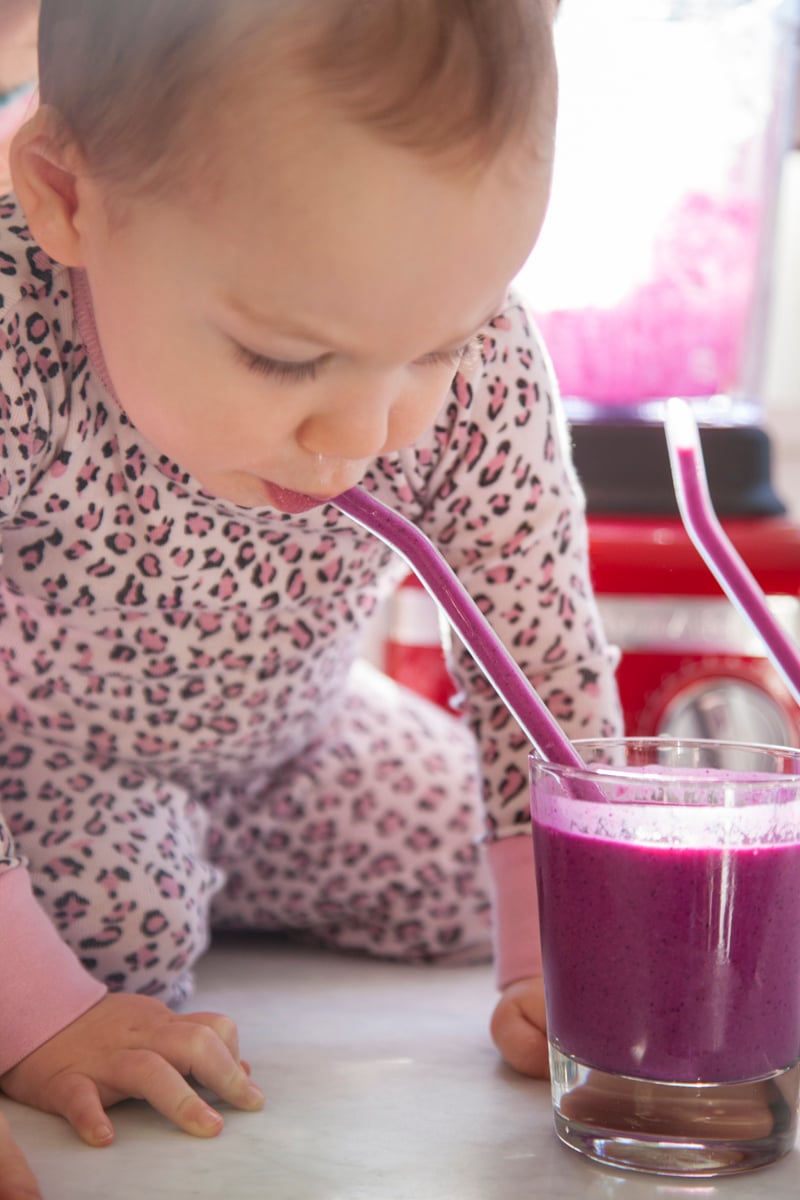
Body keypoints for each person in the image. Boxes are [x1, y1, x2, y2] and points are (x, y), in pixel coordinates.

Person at [0, 0, 622, 1163]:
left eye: (440, 341)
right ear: (67, 197)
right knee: (116, 944)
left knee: (489, 877)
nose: (371, 426)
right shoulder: (9, 327)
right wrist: (38, 1012)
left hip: (303, 740)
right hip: (56, 758)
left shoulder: (473, 357)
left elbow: (533, 642)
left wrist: (557, 966)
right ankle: (157, 882)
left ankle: (199, 863)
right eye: (286, 357)